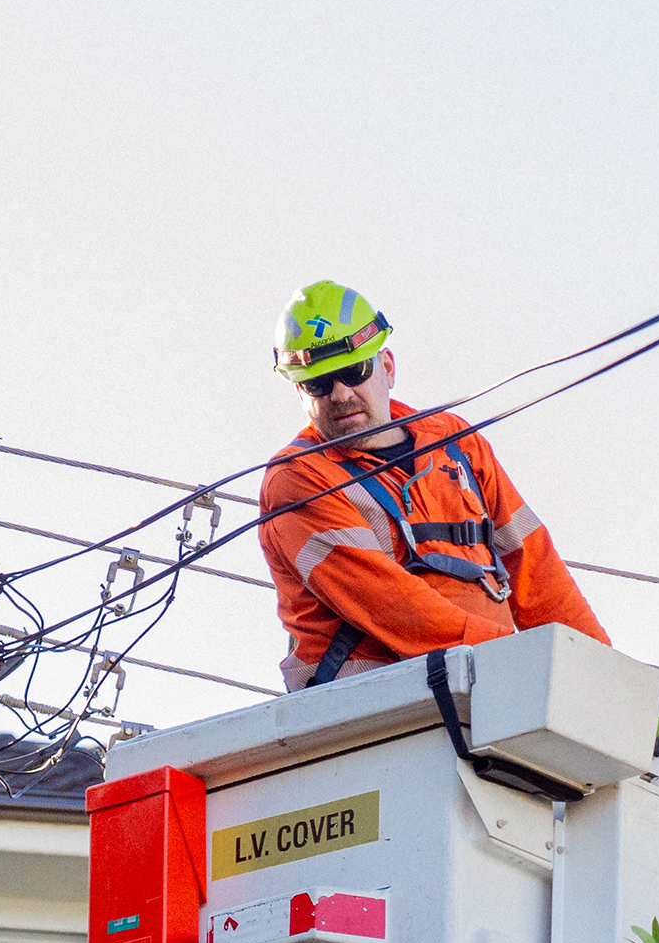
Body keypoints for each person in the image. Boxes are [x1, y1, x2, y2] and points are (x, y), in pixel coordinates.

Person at [257, 281, 608, 691]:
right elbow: (392, 605)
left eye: (354, 372)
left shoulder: (455, 441)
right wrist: (521, 666)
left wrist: (602, 681)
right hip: (367, 711)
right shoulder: (299, 478)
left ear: (386, 367)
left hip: (482, 689)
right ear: (300, 391)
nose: (340, 394)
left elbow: (537, 571)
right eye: (319, 384)